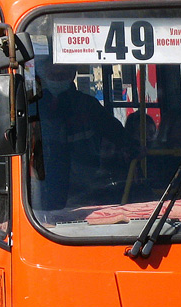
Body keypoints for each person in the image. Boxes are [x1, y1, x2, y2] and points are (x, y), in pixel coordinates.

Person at [30, 60, 125, 211]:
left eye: (63, 75)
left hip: (83, 184)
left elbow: (117, 133)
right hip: (40, 181)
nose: (57, 80)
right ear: (43, 75)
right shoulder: (33, 106)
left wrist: (135, 147)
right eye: (53, 75)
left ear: (72, 75)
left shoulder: (87, 105)